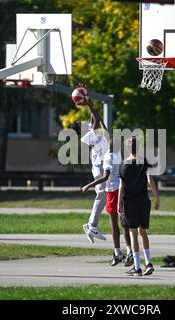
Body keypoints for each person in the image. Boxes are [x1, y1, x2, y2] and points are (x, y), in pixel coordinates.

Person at [81, 137, 134, 267]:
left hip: (112, 191)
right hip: (122, 190)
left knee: (114, 224)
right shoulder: (118, 156)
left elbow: (105, 176)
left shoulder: (108, 157)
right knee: (124, 224)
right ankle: (129, 252)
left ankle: (117, 253)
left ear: (111, 145)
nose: (108, 140)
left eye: (110, 140)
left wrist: (89, 185)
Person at [71, 85, 108, 243]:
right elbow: (98, 119)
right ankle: (92, 225)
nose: (84, 122)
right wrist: (88, 103)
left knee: (103, 195)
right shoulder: (85, 136)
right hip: (99, 166)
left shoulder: (88, 130)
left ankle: (92, 225)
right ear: (81, 130)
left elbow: (94, 118)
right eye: (81, 123)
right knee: (103, 195)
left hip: (99, 163)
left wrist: (88, 100)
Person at [118, 137, 160, 276]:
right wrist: (157, 197)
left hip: (130, 202)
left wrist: (119, 204)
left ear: (128, 148)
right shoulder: (144, 162)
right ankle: (148, 263)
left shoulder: (123, 164)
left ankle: (137, 267)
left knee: (133, 233)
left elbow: (121, 186)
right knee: (143, 233)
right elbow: (150, 180)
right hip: (143, 201)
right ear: (139, 147)